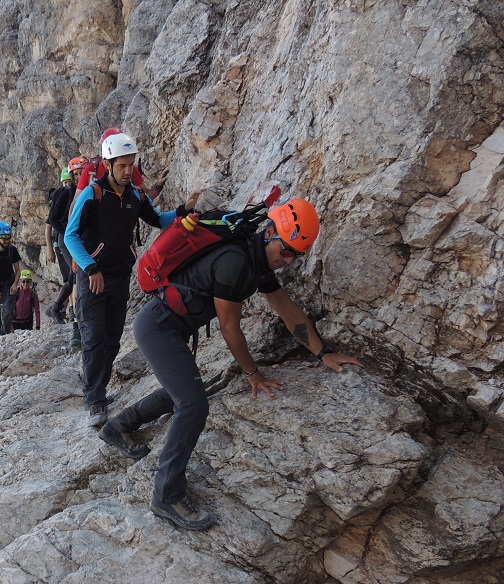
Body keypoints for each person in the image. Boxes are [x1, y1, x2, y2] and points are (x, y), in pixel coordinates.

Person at [99, 198, 364, 532]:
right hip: (158, 326)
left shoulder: (257, 260)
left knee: (185, 392)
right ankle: (166, 495)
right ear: (269, 232)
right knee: (193, 404)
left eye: (295, 256)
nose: (288, 261)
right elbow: (230, 328)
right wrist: (253, 373)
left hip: (170, 325)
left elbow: (286, 309)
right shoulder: (237, 261)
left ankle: (118, 427)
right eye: (285, 251)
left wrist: (322, 352)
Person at [65, 133, 193, 428]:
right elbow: (70, 236)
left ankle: (99, 388)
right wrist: (90, 268)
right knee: (94, 337)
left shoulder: (135, 196)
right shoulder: (92, 195)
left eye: (130, 165)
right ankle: (94, 398)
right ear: (108, 164)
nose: (127, 171)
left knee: (111, 339)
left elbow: (159, 219)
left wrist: (185, 209)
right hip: (93, 278)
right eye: (122, 165)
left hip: (120, 276)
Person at [45, 156, 88, 346]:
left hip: (78, 237)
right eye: (75, 174)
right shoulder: (66, 191)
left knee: (75, 275)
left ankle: (57, 308)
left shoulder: (86, 190)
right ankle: (76, 325)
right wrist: (68, 233)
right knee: (78, 275)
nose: (78, 177)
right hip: (67, 239)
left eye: (81, 173)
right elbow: (53, 219)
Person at [74, 127, 168, 204]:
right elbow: (76, 203)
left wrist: (158, 186)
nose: (127, 170)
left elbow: (146, 196)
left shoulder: (130, 168)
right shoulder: (92, 170)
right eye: (121, 166)